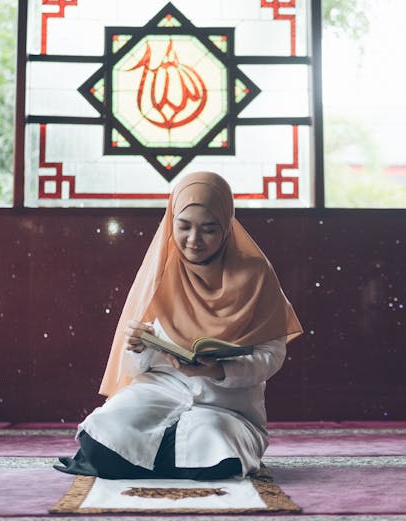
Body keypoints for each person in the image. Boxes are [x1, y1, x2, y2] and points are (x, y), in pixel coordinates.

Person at [55, 171, 302, 480]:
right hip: (159, 391)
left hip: (224, 405)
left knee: (214, 441)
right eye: (183, 227)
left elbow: (271, 356)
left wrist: (216, 371)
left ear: (226, 226)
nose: (193, 240)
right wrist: (138, 347)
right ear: (171, 222)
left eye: (209, 229)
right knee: (102, 433)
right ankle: (169, 457)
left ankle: (147, 459)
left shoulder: (255, 273)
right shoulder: (161, 269)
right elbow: (134, 370)